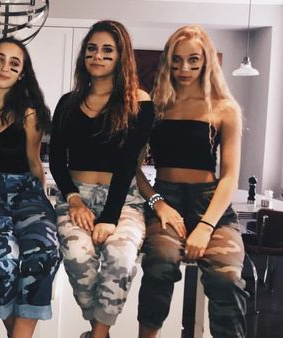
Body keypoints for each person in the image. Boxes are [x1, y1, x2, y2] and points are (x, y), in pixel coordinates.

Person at [136, 25, 246, 338]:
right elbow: (132, 168)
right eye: (177, 60)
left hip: (212, 205)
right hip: (166, 200)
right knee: (160, 264)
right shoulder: (154, 106)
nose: (184, 68)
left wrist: (206, 226)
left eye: (193, 60)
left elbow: (229, 177)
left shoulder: (225, 109)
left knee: (226, 279)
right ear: (168, 61)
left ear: (206, 61)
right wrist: (158, 205)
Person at [49, 20, 155, 338]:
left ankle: (96, 336)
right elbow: (56, 161)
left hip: (122, 198)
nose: (98, 56)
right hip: (75, 194)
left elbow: (126, 165)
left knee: (121, 260)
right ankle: (100, 330)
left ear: (121, 56)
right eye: (92, 49)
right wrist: (74, 199)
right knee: (79, 260)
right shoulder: (68, 103)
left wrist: (108, 218)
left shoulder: (139, 103)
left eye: (107, 50)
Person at [0, 37, 60, 338]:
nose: (5, 67)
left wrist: (42, 199)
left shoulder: (30, 113)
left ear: (22, 73)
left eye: (14, 64)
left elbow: (33, 160)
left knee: (44, 249)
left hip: (24, 189)